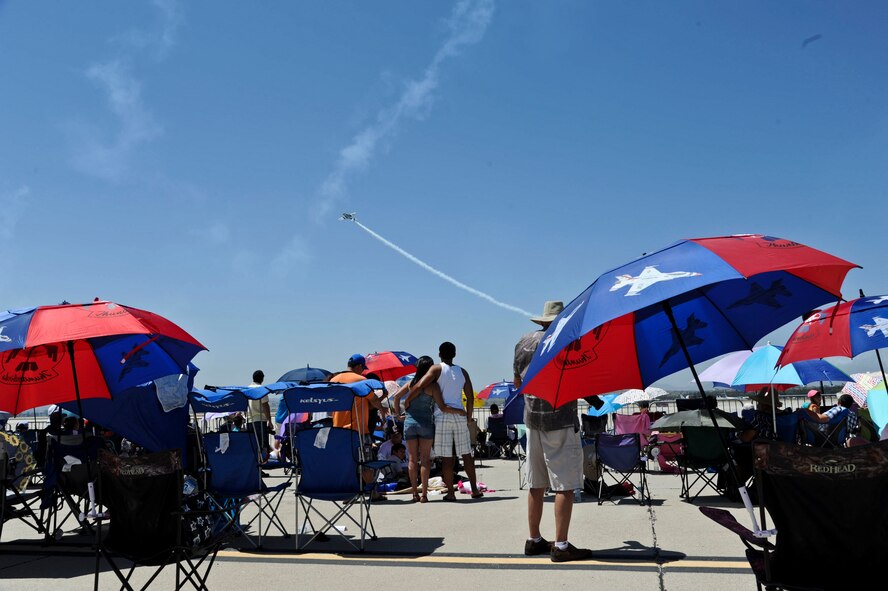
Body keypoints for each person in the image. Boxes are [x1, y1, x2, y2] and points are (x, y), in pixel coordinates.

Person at [515, 300, 596, 563]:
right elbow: (577, 381)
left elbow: (518, 382)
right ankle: (561, 546)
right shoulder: (567, 343)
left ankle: (534, 539)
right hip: (559, 420)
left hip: (532, 420)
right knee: (565, 485)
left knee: (536, 483)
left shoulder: (523, 342)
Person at [409, 342, 483, 501]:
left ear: (439, 354)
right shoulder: (462, 371)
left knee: (447, 458)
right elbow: (470, 396)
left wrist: (408, 400)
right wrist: (469, 417)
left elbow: (420, 385)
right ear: (454, 354)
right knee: (467, 454)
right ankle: (475, 489)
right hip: (460, 415)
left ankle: (451, 493)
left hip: (442, 415)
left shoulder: (436, 369)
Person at [393, 355, 443, 503]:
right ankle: (424, 495)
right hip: (426, 424)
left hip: (409, 423)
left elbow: (396, 397)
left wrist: (398, 415)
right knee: (425, 460)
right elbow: (440, 405)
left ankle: (414, 493)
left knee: (412, 460)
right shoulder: (433, 386)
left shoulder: (410, 384)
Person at [329, 354, 384, 436]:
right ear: (359, 366)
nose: (363, 371)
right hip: (357, 429)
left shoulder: (333, 380)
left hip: (338, 428)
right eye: (363, 368)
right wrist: (382, 408)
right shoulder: (361, 380)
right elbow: (374, 400)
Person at [247, 370, 274, 460]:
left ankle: (255, 464)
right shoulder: (261, 389)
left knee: (253, 445)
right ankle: (262, 463)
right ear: (262, 378)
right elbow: (265, 405)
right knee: (262, 445)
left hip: (250, 421)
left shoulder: (247, 389)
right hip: (260, 421)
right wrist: (269, 421)